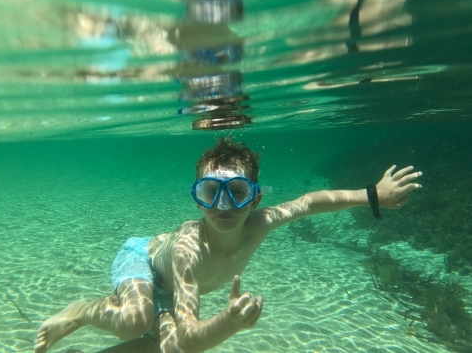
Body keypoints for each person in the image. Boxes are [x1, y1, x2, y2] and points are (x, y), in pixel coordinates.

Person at [34, 136, 423, 353]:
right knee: (137, 321)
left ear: (254, 198)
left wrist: (372, 193)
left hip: (170, 289)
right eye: (210, 192)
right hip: (142, 262)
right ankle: (81, 311)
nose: (223, 206)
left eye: (236, 192)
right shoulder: (188, 251)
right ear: (197, 197)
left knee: (167, 350)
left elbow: (310, 202)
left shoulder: (260, 223)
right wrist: (229, 323)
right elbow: (193, 337)